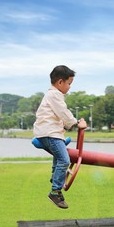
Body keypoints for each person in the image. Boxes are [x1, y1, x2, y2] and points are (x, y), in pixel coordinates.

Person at [33, 65, 87, 209]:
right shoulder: (55, 95)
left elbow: (58, 115)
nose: (69, 87)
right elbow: (63, 112)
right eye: (69, 83)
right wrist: (76, 123)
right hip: (49, 133)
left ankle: (54, 177)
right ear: (60, 82)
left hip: (49, 132)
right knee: (64, 160)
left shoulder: (52, 95)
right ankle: (55, 192)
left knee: (59, 155)